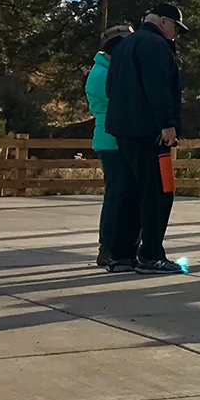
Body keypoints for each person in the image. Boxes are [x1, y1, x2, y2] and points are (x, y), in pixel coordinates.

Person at [101, 2, 190, 274]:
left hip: (123, 131)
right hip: (149, 132)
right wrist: (167, 124)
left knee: (128, 192)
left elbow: (110, 87)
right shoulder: (154, 45)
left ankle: (120, 255)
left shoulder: (124, 46)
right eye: (176, 28)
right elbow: (157, 86)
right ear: (163, 22)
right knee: (158, 193)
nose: (176, 35)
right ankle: (151, 254)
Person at [86, 24, 135, 267]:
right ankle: (107, 247)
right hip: (112, 140)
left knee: (122, 194)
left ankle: (117, 246)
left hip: (114, 139)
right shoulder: (103, 73)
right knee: (116, 195)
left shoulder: (107, 69)